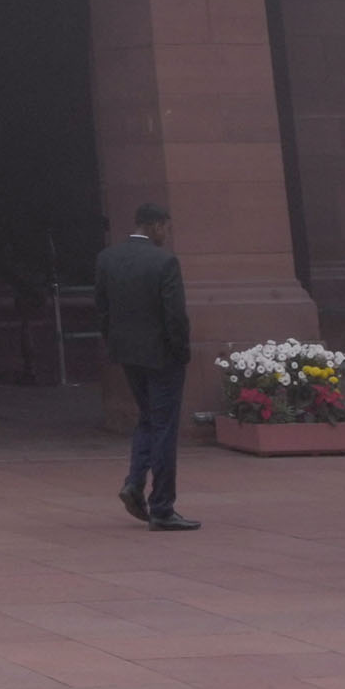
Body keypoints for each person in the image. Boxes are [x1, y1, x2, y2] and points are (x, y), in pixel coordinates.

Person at [94, 204, 196, 530]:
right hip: (162, 356)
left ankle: (135, 483)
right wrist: (181, 352)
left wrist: (115, 344)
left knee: (148, 420)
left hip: (127, 354)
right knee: (165, 427)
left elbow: (103, 309)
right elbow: (175, 316)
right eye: (166, 227)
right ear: (154, 226)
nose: (167, 234)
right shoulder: (164, 262)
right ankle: (162, 506)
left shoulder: (108, 258)